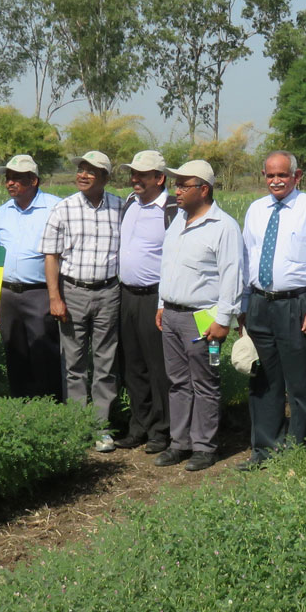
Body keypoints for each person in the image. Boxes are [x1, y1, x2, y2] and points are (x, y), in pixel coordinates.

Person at [239, 151, 306, 467]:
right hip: (260, 303)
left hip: (297, 304)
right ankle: (265, 449)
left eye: (282, 175)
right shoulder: (256, 210)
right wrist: (243, 306)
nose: (276, 181)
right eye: (270, 175)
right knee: (263, 380)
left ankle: (297, 450)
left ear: (297, 176)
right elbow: (246, 259)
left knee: (299, 381)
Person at [155, 159, 246, 472]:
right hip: (172, 315)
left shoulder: (224, 227)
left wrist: (223, 320)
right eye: (176, 185)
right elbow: (167, 266)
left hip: (204, 318)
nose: (176, 191)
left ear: (204, 189)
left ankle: (205, 447)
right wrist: (161, 304)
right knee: (178, 382)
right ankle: (179, 443)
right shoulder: (177, 221)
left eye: (184, 185)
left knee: (205, 381)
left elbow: (233, 276)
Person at [42, 151, 123, 452]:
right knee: (74, 362)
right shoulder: (63, 209)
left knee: (105, 362)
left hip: (108, 292)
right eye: (80, 169)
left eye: (91, 171)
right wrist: (55, 297)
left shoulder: (120, 207)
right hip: (73, 292)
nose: (83, 175)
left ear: (105, 177)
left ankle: (101, 427)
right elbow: (51, 256)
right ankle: (78, 425)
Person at [113, 150, 178, 454]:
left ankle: (161, 430)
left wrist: (164, 302)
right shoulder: (129, 204)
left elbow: (174, 260)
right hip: (127, 295)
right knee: (133, 366)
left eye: (141, 174)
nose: (134, 179)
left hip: (155, 297)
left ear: (159, 178)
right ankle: (138, 425)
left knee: (158, 367)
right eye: (133, 173)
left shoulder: (172, 209)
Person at [0, 154, 63, 399]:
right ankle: (21, 407)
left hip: (41, 293)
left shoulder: (55, 207)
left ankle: (49, 407)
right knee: (15, 353)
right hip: (8, 293)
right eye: (8, 178)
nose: (10, 183)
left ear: (33, 180)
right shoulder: (1, 212)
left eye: (17, 178)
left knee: (45, 353)